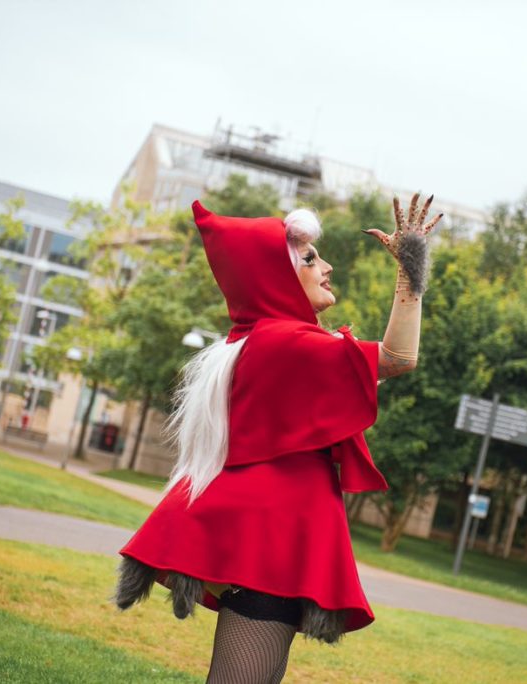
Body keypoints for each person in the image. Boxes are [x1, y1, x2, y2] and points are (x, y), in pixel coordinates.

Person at [115, 193, 442, 683]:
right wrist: (408, 274)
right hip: (268, 549)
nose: (326, 267)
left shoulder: (267, 340)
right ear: (276, 275)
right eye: (309, 259)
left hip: (267, 544)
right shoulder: (285, 343)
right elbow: (399, 358)